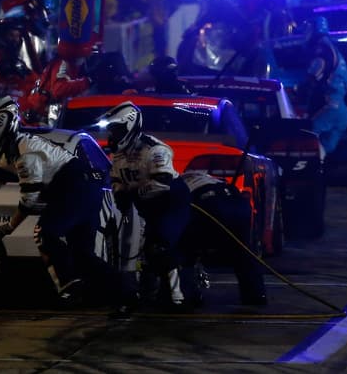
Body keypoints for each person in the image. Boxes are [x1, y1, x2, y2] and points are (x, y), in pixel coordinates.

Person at [0, 97, 112, 303]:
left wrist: (8, 227)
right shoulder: (14, 150)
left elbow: (29, 199)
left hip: (76, 188)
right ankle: (124, 292)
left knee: (44, 232)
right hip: (79, 189)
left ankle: (69, 286)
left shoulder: (25, 153)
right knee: (83, 255)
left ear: (1, 128)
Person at [103, 100, 192, 313]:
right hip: (145, 203)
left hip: (171, 201)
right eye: (111, 131)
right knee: (137, 249)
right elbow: (116, 180)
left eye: (117, 130)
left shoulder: (155, 149)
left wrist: (131, 193)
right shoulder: (118, 153)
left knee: (160, 244)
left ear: (130, 126)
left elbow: (162, 182)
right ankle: (144, 292)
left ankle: (178, 297)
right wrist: (120, 193)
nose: (112, 136)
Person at [181, 170, 268, 306]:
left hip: (210, 205)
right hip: (237, 203)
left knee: (185, 252)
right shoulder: (211, 179)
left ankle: (189, 296)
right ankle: (256, 295)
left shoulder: (177, 183)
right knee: (243, 251)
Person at [299, 17, 347, 155]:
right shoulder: (335, 51)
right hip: (342, 110)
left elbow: (313, 76)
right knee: (324, 150)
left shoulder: (322, 51)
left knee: (307, 139)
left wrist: (300, 93)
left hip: (328, 107)